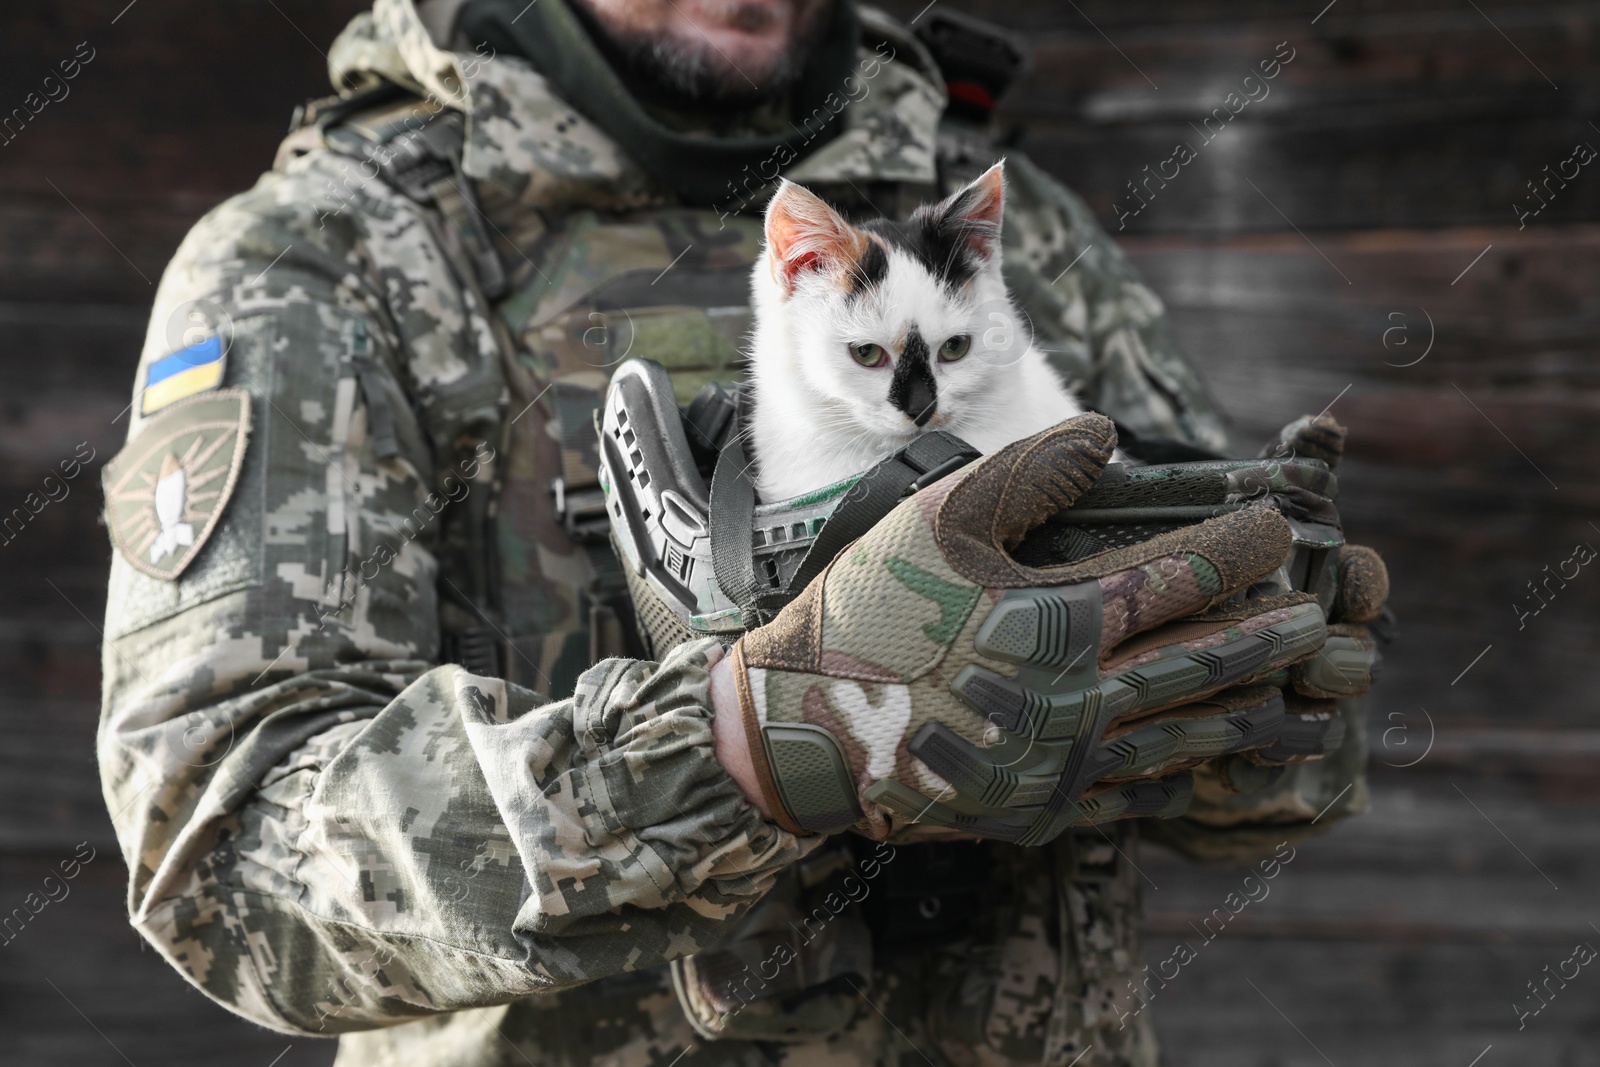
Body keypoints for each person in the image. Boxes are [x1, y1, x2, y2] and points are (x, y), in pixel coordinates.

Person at [97, 1, 1383, 1064]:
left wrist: (1263, 668)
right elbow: (227, 853)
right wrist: (747, 745)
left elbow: (1255, 779)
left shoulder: (1002, 229)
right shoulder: (335, 255)